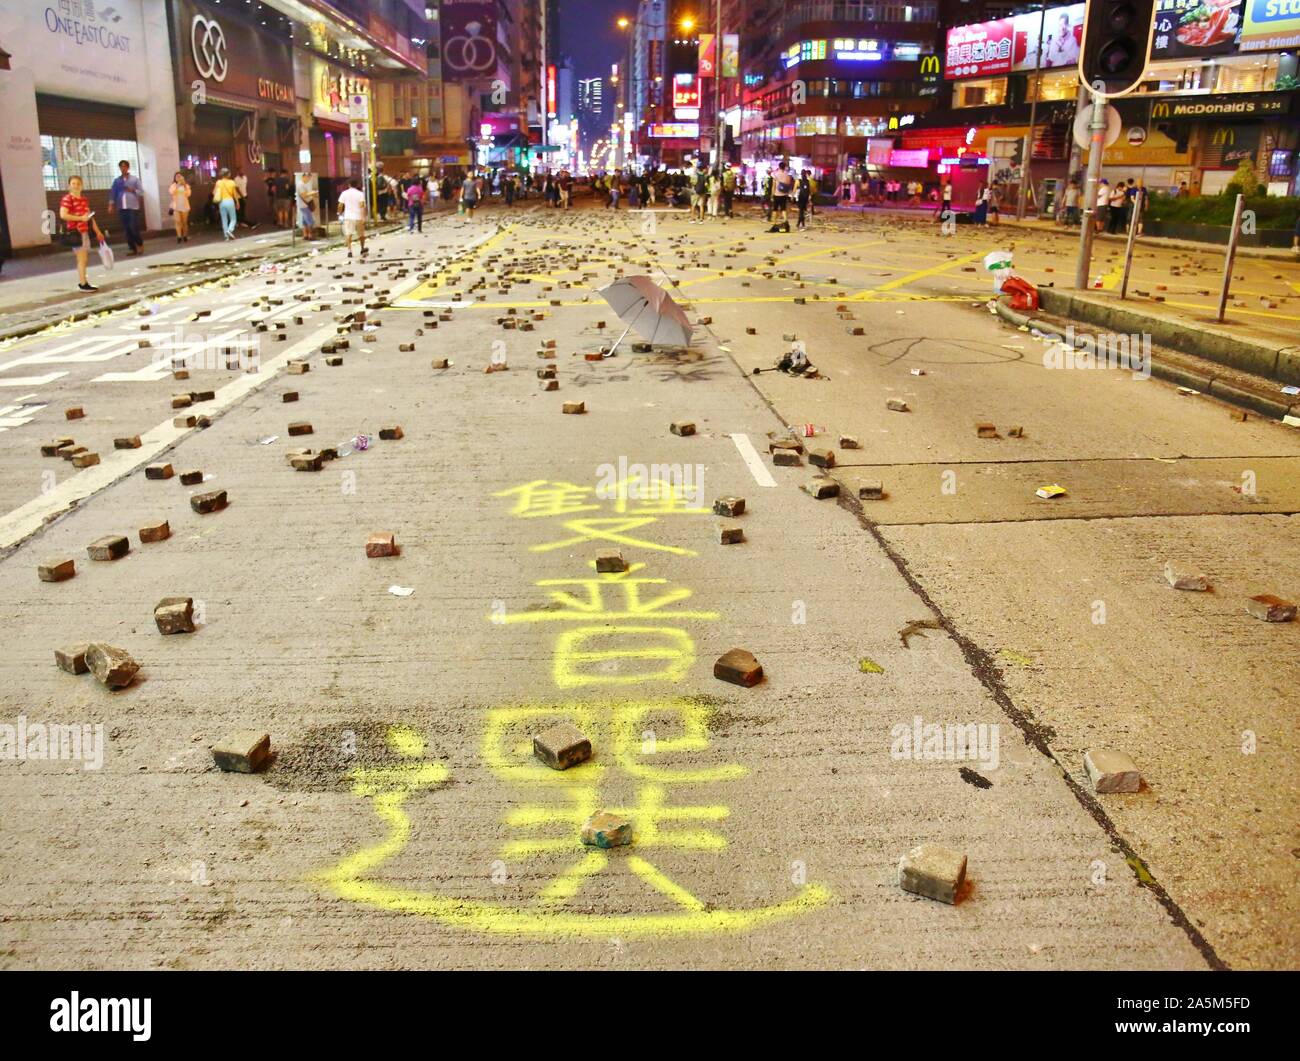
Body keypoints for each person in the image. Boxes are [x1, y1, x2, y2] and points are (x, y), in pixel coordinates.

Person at [60, 174, 106, 292]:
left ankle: (83, 282)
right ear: (69, 186)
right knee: (82, 259)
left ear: (82, 186)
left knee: (84, 259)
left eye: (78, 184)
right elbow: (63, 215)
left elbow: (89, 217)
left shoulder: (84, 200)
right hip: (76, 233)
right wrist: (80, 218)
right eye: (73, 184)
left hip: (84, 232)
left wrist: (98, 232)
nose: (76, 186)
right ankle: (83, 284)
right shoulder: (67, 199)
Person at [108, 160, 145, 256]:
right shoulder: (117, 181)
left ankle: (140, 244)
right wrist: (111, 205)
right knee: (127, 229)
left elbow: (141, 192)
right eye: (121, 166)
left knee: (133, 227)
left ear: (128, 167)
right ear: (119, 168)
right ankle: (132, 248)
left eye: (125, 166)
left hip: (133, 207)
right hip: (121, 208)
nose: (123, 168)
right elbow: (113, 193)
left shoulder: (134, 179)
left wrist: (133, 190)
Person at [338, 177, 368, 257]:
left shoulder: (344, 193)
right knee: (361, 234)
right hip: (358, 217)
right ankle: (362, 248)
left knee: (348, 234)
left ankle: (349, 250)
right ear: (357, 185)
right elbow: (362, 206)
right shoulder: (360, 194)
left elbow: (340, 205)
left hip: (348, 217)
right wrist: (363, 217)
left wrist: (339, 213)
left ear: (349, 185)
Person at [213, 167, 241, 240]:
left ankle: (226, 237)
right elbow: (235, 194)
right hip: (230, 201)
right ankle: (230, 230)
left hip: (221, 202)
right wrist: (237, 202)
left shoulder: (218, 182)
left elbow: (214, 192)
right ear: (228, 174)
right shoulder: (232, 182)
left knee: (224, 219)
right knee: (233, 218)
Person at [770, 162, 794, 233]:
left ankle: (774, 224)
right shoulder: (787, 175)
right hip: (784, 194)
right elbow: (788, 184)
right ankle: (786, 222)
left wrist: (772, 194)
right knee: (783, 209)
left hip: (776, 194)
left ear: (779, 167)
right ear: (784, 167)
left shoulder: (775, 174)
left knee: (775, 209)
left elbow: (773, 185)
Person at [169, 172, 192, 243]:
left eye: (180, 176)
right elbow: (172, 192)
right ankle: (179, 236)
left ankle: (185, 235)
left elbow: (188, 194)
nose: (178, 178)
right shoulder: (173, 185)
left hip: (185, 206)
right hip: (176, 207)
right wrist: (178, 185)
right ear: (175, 178)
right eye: (177, 176)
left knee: (184, 222)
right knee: (178, 222)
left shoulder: (186, 186)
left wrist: (184, 185)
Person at [296, 174, 318, 240]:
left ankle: (305, 235)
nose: (308, 180)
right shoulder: (301, 185)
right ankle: (310, 235)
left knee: (305, 221)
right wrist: (313, 193)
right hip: (304, 205)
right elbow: (304, 195)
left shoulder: (301, 184)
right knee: (310, 221)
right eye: (308, 178)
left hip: (303, 205)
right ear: (304, 177)